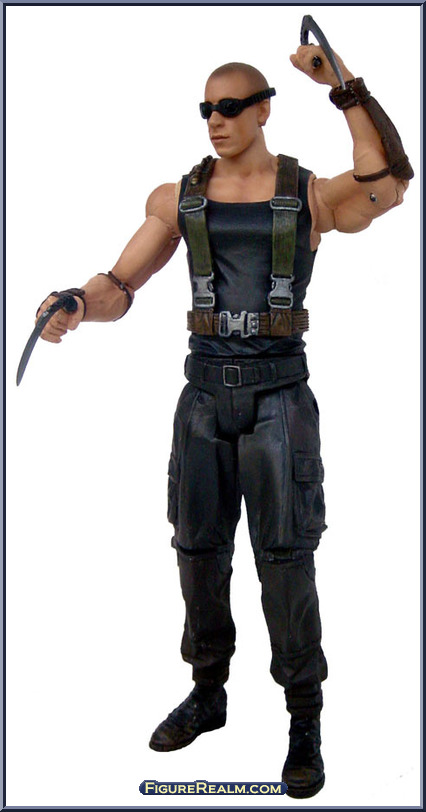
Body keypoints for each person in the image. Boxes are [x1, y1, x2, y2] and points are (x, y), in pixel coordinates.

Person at [35, 44, 412, 799]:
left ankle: (304, 717)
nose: (216, 120)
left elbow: (386, 183)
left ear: (264, 110)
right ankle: (208, 692)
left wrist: (346, 89)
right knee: (197, 553)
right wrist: (75, 302)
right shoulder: (179, 199)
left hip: (279, 397)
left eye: (231, 107)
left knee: (286, 560)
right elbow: (121, 282)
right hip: (203, 397)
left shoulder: (308, 195)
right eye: (207, 108)